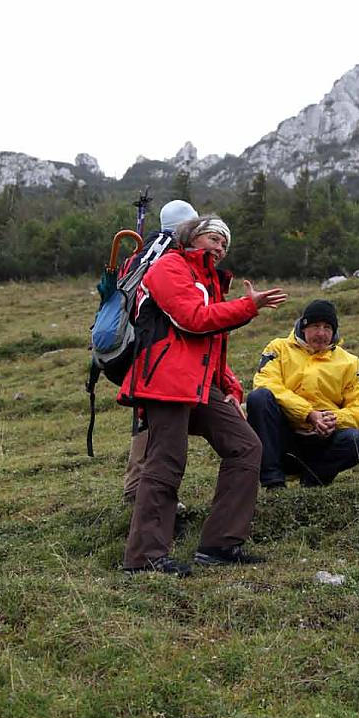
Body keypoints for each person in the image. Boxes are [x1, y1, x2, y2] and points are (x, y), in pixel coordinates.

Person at [119, 214, 286, 576]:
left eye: (225, 243)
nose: (220, 246)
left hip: (197, 384)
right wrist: (249, 307)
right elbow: (192, 319)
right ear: (191, 238)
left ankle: (221, 545)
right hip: (164, 381)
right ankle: (144, 558)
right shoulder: (169, 268)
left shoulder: (208, 281)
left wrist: (230, 387)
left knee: (246, 446)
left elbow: (206, 347)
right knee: (166, 462)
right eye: (214, 237)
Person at [246, 299, 359, 489]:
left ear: (334, 331)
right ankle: (274, 484)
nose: (321, 333)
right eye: (315, 326)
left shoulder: (349, 362)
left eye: (327, 327)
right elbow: (265, 383)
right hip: (283, 435)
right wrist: (308, 414)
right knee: (259, 398)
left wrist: (333, 419)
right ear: (303, 327)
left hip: (323, 440)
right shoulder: (278, 348)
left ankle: (312, 481)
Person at [122, 199, 199, 505]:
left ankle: (137, 486)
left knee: (146, 418)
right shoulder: (170, 254)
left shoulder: (143, 252)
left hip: (134, 344)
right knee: (161, 424)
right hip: (159, 349)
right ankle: (147, 494)